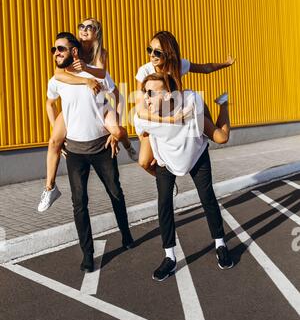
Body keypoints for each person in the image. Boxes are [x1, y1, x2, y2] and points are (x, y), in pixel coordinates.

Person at [45, 32, 134, 272]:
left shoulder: (94, 72)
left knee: (115, 193)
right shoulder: (57, 80)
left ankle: (126, 233)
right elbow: (49, 103)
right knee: (79, 203)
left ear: (74, 51)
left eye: (61, 49)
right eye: (54, 50)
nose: (56, 53)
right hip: (75, 152)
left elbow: (117, 95)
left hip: (102, 148)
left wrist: (116, 132)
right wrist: (58, 134)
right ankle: (88, 254)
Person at [134, 72, 233, 281]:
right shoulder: (143, 117)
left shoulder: (190, 107)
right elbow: (140, 125)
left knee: (208, 196)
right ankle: (169, 257)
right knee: (164, 203)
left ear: (170, 95)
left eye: (152, 93)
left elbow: (192, 97)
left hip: (196, 154)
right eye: (145, 93)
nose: (146, 98)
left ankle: (220, 244)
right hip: (166, 163)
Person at [38, 18, 137, 212]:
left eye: (89, 27)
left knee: (117, 131)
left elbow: (101, 75)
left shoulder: (100, 53)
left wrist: (86, 71)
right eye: (81, 26)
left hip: (97, 102)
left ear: (97, 33)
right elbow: (59, 75)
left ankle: (128, 145)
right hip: (74, 105)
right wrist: (85, 82)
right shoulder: (69, 49)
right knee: (54, 142)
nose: (84, 30)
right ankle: (49, 188)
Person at [135, 30, 235, 176]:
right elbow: (140, 111)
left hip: (180, 110)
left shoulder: (178, 64)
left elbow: (205, 68)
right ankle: (163, 177)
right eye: (149, 50)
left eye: (157, 52)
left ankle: (223, 104)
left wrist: (225, 64)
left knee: (221, 138)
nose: (151, 55)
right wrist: (168, 120)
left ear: (168, 53)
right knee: (144, 161)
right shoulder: (144, 71)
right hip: (156, 118)